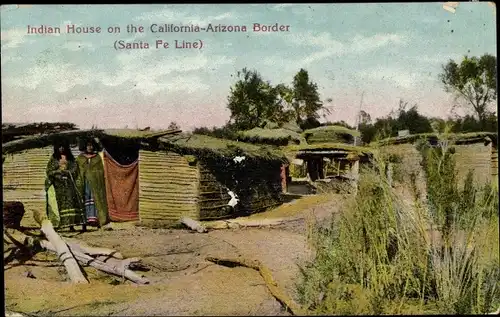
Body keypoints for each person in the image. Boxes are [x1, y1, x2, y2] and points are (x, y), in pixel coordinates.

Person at [45, 140, 85, 231]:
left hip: (69, 183)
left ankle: (73, 224)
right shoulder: (54, 159)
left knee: (72, 202)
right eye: (59, 147)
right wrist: (57, 172)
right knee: (62, 204)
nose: (61, 149)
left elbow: (74, 168)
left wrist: (67, 172)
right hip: (59, 185)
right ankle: (64, 224)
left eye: (63, 147)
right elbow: (49, 171)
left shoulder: (70, 158)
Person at [76, 137, 109, 230]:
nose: (90, 147)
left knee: (96, 201)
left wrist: (93, 174)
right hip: (84, 183)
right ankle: (84, 222)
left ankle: (97, 221)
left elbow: (100, 171)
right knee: (84, 200)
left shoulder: (97, 157)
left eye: (91, 145)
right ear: (85, 147)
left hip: (95, 183)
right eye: (88, 145)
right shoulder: (80, 158)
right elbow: (78, 171)